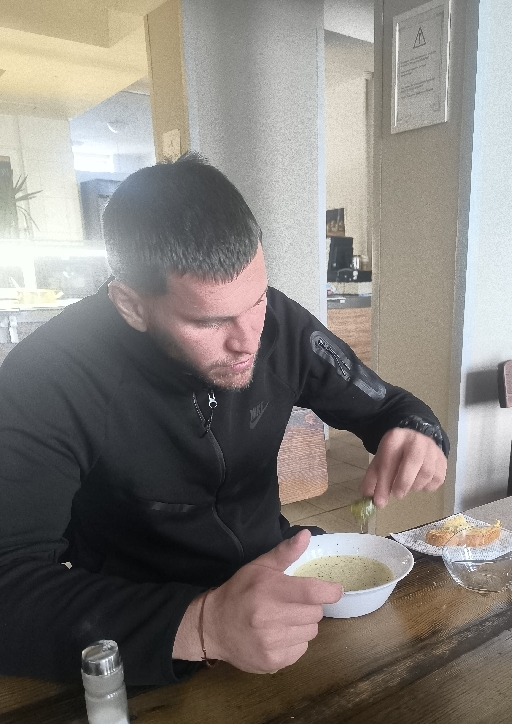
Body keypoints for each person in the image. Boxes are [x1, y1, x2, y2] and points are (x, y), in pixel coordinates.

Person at [0, 154, 448, 686]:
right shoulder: (47, 376)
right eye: (208, 321)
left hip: (280, 587)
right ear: (131, 305)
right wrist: (205, 623)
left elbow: (387, 405)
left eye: (256, 300)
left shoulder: (277, 321)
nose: (248, 340)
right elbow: (10, 586)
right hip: (143, 628)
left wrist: (418, 432)